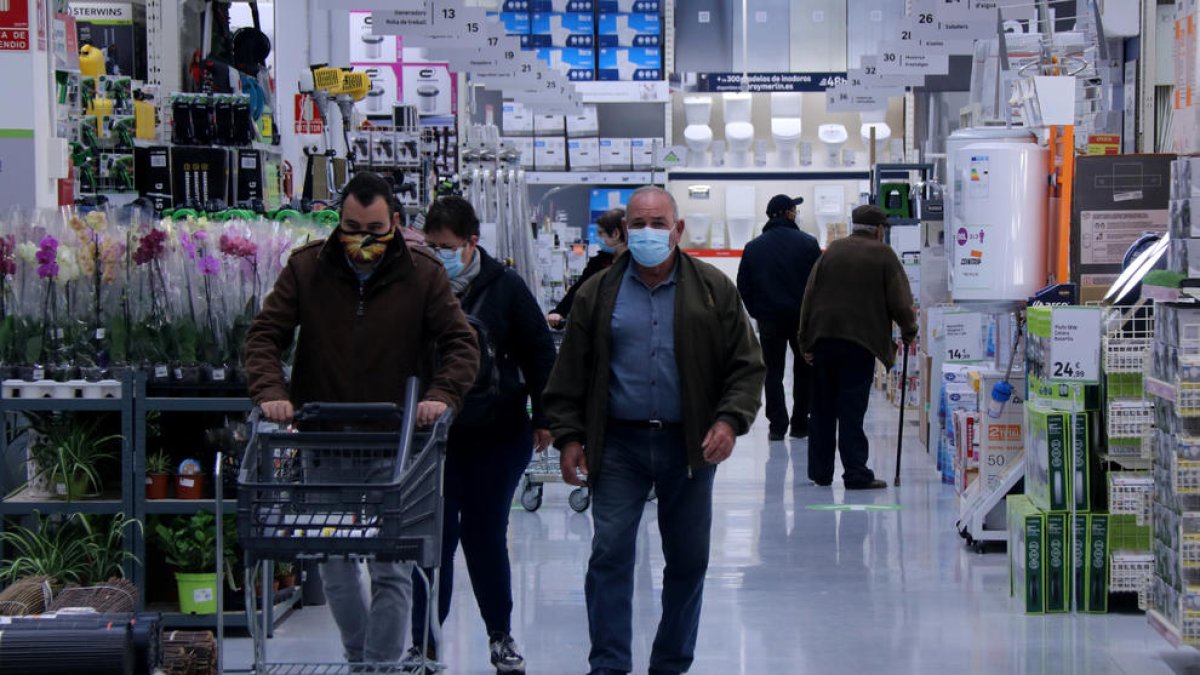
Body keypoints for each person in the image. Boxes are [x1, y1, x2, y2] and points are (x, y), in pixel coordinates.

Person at [244, 172, 480, 668]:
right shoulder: (307, 269)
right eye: (352, 227)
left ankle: (376, 667)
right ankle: (362, 658)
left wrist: (440, 395)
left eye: (374, 230)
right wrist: (272, 392)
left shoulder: (423, 273)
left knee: (392, 567)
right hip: (324, 442)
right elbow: (265, 336)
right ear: (338, 221)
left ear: (394, 222)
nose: (362, 241)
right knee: (333, 564)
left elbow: (462, 343)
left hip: (397, 447)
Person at [543, 186, 765, 675]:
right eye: (638, 225)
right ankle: (608, 664)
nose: (648, 232)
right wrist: (568, 435)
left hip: (688, 445)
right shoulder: (597, 293)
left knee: (687, 562)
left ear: (678, 229)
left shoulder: (712, 289)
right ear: (624, 231)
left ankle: (670, 663)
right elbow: (571, 372)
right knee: (610, 554)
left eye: (658, 223)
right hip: (618, 443)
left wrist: (729, 420)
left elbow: (746, 366)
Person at [403, 195, 557, 674]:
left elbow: (539, 351)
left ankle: (500, 636)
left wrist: (546, 417)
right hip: (432, 439)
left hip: (498, 432)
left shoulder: (505, 286)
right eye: (429, 245)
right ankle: (424, 645)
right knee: (434, 540)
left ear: (471, 243)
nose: (436, 254)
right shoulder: (415, 286)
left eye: (445, 246)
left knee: (485, 535)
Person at [797, 204, 918, 490]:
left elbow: (809, 296)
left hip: (824, 339)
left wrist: (805, 340)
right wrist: (909, 330)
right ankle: (855, 473)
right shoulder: (883, 255)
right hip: (859, 342)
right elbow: (900, 301)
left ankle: (820, 472)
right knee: (851, 409)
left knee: (823, 408)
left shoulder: (833, 251)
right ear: (878, 230)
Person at [736, 194, 822, 442]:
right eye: (794, 209)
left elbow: (743, 284)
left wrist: (757, 311)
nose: (796, 213)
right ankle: (799, 423)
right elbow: (818, 283)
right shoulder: (808, 243)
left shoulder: (754, 247)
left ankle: (777, 425)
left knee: (772, 371)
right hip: (801, 320)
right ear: (787, 214)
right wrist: (812, 313)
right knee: (804, 368)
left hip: (770, 319)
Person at [546, 208, 627, 328]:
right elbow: (579, 290)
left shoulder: (634, 263)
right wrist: (559, 312)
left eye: (601, 233)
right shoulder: (598, 262)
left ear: (615, 234)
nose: (598, 238)